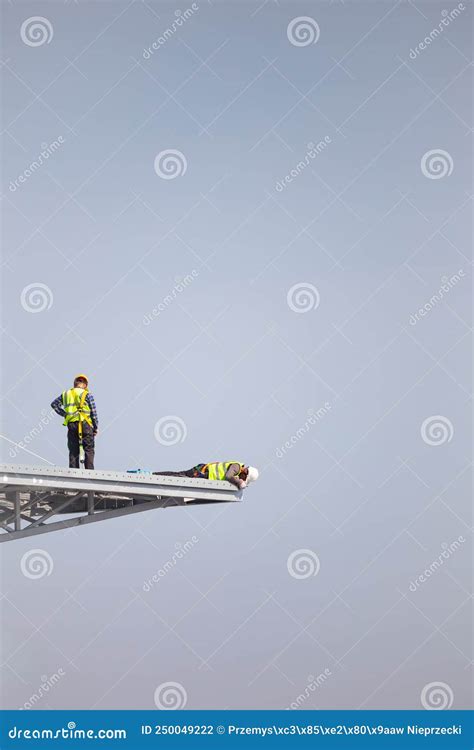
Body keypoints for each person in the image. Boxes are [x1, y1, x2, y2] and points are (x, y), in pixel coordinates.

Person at [51, 374, 99, 469]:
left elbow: (54, 404)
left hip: (72, 424)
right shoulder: (87, 394)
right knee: (88, 449)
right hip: (86, 425)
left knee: (73, 450)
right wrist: (95, 427)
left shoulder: (66, 394)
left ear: (74, 384)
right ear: (85, 385)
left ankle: (73, 473)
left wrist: (65, 414)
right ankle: (90, 473)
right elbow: (93, 412)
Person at [153, 462, 259, 489]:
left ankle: (154, 475)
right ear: (245, 472)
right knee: (178, 477)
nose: (242, 479)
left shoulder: (238, 470)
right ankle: (153, 475)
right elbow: (228, 476)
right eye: (244, 478)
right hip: (202, 473)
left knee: (178, 475)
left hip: (203, 472)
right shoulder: (236, 467)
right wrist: (238, 482)